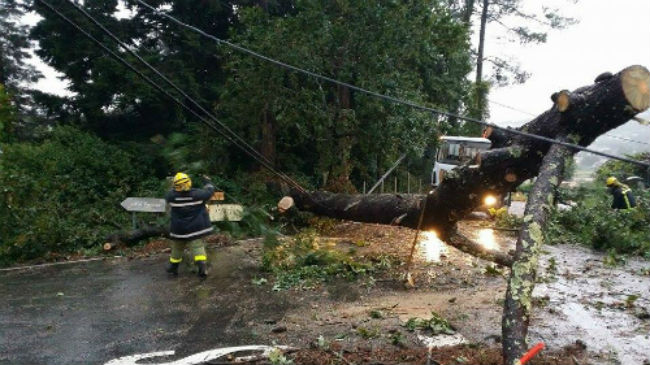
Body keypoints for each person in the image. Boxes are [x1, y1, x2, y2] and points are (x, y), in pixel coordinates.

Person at [165, 172, 215, 278]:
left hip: (179, 230)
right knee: (198, 247)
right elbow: (209, 192)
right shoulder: (197, 195)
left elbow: (170, 192)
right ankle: (202, 268)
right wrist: (207, 182)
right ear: (189, 183)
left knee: (177, 248)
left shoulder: (171, 197)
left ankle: (173, 268)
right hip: (195, 228)